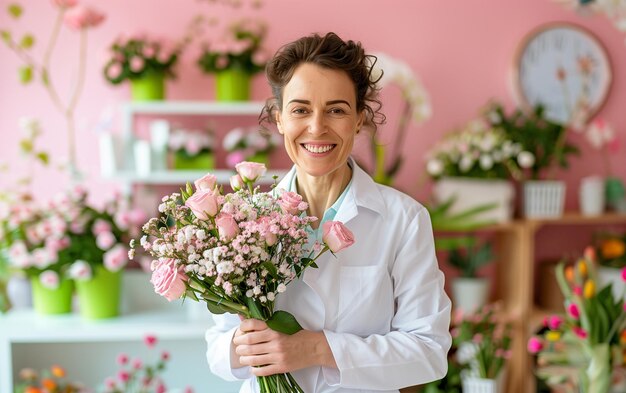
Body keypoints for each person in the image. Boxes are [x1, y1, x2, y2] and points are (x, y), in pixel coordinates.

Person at [206, 31, 451, 393]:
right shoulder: (242, 219)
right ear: (279, 119)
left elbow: (429, 352)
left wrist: (317, 349)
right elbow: (216, 346)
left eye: (336, 110)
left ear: (358, 119)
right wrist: (238, 349)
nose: (317, 127)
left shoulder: (404, 219)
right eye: (300, 110)